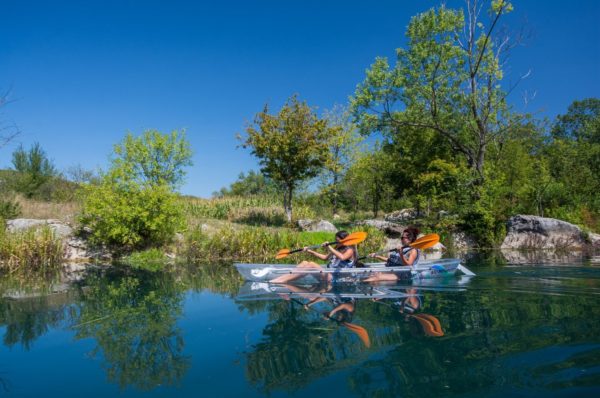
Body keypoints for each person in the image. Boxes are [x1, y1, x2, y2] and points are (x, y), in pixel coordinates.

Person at [270, 230, 358, 284]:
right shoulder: (337, 247)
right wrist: (310, 251)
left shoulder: (350, 250)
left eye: (338, 241)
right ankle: (284, 279)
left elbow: (342, 257)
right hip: (329, 273)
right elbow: (325, 258)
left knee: (311, 264)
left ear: (345, 240)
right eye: (335, 240)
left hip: (336, 279)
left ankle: (280, 281)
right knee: (305, 263)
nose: (336, 242)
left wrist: (329, 247)